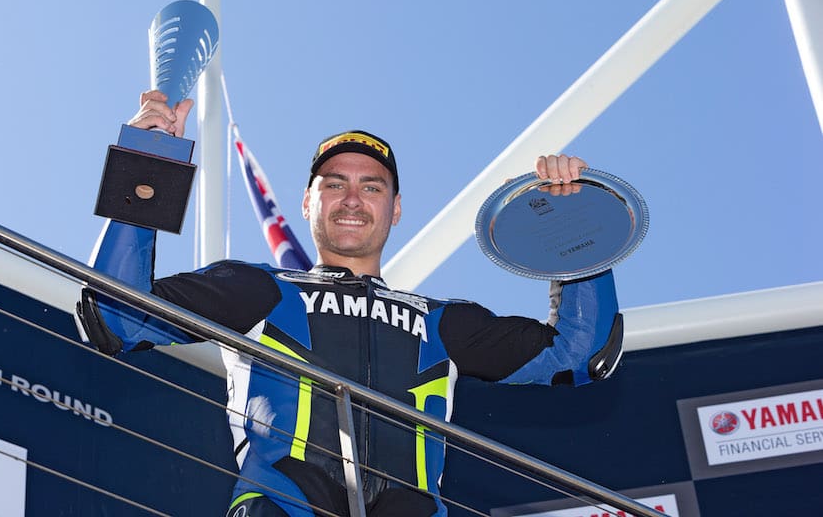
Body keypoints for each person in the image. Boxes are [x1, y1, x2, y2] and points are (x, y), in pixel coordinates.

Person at [76, 90, 623, 517]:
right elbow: (115, 315)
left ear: (396, 208)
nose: (353, 199)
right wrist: (148, 165)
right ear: (307, 202)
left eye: (373, 187)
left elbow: (581, 353)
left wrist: (575, 227)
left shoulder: (442, 321)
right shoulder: (259, 289)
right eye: (334, 184)